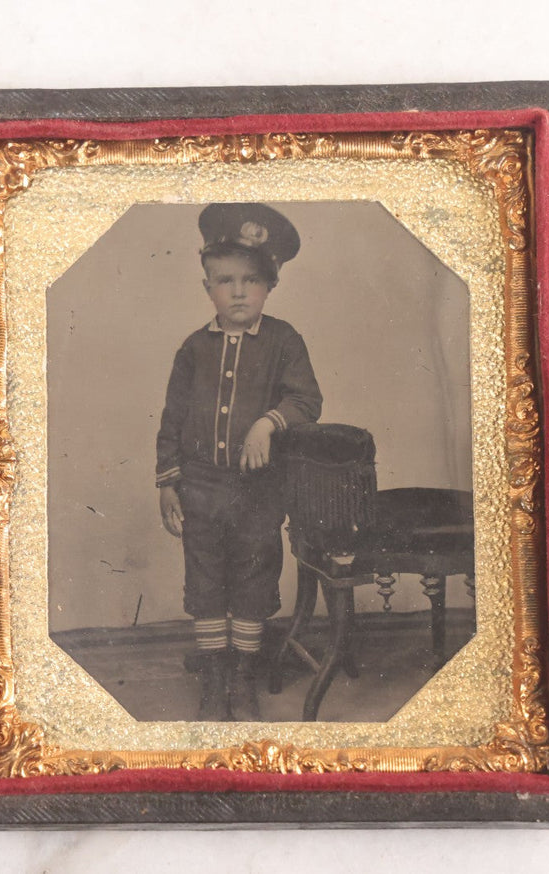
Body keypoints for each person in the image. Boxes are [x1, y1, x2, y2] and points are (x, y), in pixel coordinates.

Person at [155, 203, 322, 721]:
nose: (239, 291)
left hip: (258, 491)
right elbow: (172, 420)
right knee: (205, 583)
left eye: (252, 279)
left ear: (270, 285)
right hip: (200, 487)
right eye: (225, 280)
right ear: (207, 286)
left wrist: (266, 422)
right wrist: (167, 484)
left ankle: (243, 679)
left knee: (252, 581)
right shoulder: (192, 349)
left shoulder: (283, 340)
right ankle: (214, 680)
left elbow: (307, 402)